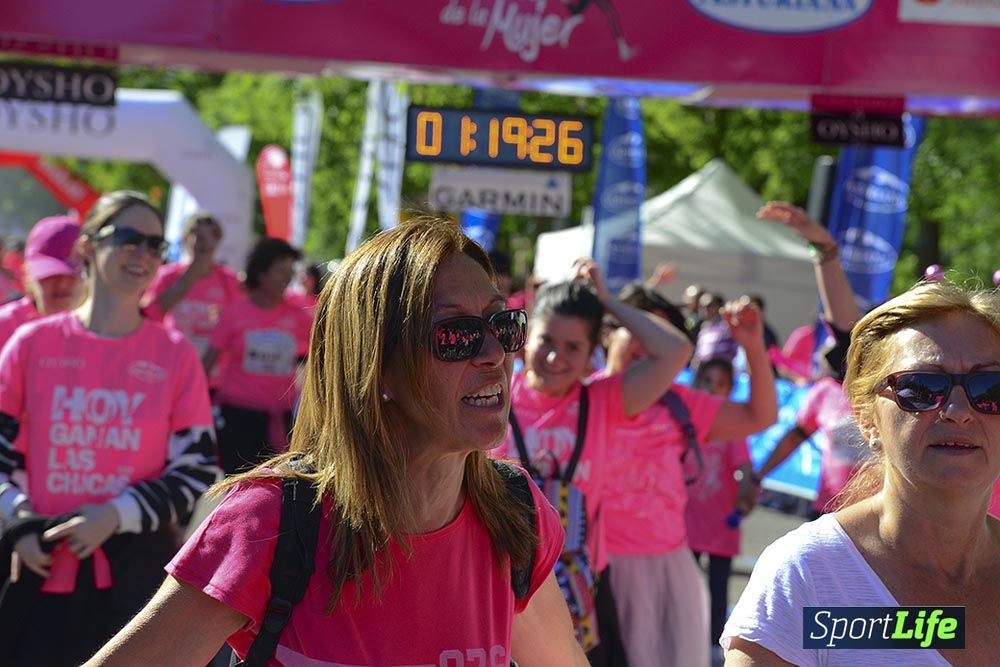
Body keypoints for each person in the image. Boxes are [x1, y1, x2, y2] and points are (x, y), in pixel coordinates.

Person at [85, 217, 586, 666]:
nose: (495, 353)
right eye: (457, 334)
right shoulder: (270, 520)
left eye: (504, 324)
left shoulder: (516, 514)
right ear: (376, 365)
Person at [722, 280, 1000, 666]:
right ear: (867, 419)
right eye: (921, 387)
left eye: (991, 387)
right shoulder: (806, 576)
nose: (957, 410)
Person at [0, 191, 219, 667]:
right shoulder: (31, 344)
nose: (142, 253)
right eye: (127, 238)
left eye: (155, 245)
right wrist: (16, 520)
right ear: (87, 247)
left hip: (131, 582)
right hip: (35, 572)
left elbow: (197, 468)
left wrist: (116, 514)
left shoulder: (175, 354)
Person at [492, 263, 694, 661]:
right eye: (546, 340)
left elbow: (677, 351)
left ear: (590, 354)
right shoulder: (495, 395)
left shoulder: (601, 401)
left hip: (578, 590)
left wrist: (607, 301)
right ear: (526, 337)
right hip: (499, 587)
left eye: (573, 348)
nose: (554, 357)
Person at [601, 287, 776, 667]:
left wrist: (753, 347)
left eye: (661, 339)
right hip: (586, 571)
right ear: (608, 331)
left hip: (663, 573)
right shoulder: (579, 396)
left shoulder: (678, 403)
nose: (650, 348)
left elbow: (760, 416)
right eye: (640, 330)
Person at [752, 202, 867, 517]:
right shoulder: (826, 392)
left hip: (884, 525)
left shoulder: (905, 393)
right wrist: (824, 249)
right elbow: (793, 438)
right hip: (828, 516)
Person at [201, 238, 313, 475]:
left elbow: (320, 352)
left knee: (273, 492)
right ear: (261, 273)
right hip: (237, 418)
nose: (288, 278)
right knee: (239, 487)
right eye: (281, 270)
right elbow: (207, 363)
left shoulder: (299, 315)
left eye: (291, 271)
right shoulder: (235, 313)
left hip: (279, 421)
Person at [684, 358, 757, 659]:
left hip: (720, 525)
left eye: (721, 384)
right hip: (685, 524)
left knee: (717, 586)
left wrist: (744, 492)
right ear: (696, 383)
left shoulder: (731, 428)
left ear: (729, 391)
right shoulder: (684, 422)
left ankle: (715, 643)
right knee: (685, 587)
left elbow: (744, 468)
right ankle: (684, 634)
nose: (712, 390)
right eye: (707, 382)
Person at [142, 211, 243, 359]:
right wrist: (194, 271)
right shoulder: (167, 275)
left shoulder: (229, 280)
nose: (200, 242)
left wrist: (225, 318)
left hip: (213, 370)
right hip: (171, 360)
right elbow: (150, 314)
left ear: (217, 241)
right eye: (195, 234)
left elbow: (240, 325)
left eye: (209, 237)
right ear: (185, 238)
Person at [0, 216, 84, 348]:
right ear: (29, 272)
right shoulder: (5, 325)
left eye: (72, 274)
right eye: (51, 274)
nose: (62, 284)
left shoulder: (106, 329)